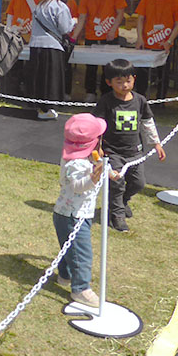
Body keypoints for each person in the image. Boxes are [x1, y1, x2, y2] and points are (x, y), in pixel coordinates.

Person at [53, 113, 119, 308]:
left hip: (79, 213)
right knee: (81, 252)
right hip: (72, 215)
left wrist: (109, 172)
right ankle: (81, 289)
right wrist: (93, 178)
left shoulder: (89, 157)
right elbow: (77, 185)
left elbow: (99, 164)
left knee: (69, 248)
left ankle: (65, 276)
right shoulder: (76, 163)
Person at [93, 59, 165, 232]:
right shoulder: (106, 101)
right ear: (109, 82)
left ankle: (122, 201)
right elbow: (97, 125)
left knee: (138, 183)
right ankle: (117, 214)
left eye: (128, 80)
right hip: (113, 152)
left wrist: (156, 143)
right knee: (116, 183)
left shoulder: (140, 101)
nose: (124, 85)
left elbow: (147, 122)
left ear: (134, 78)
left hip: (135, 152)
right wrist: (97, 145)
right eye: (119, 81)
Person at [71, 0, 127, 102]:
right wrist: (74, 36)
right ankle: (90, 92)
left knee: (109, 66)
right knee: (91, 66)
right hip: (91, 36)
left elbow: (120, 13)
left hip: (110, 36)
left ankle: (106, 92)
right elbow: (82, 18)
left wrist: (113, 30)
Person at [28, 0, 76, 120]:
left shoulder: (40, 4)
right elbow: (65, 28)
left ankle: (39, 107)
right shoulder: (61, 7)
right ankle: (48, 109)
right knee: (51, 80)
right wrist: (74, 21)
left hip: (36, 45)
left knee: (38, 78)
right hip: (52, 46)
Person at [134, 0, 178, 98]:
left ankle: (161, 98)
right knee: (142, 72)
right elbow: (140, 19)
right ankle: (141, 96)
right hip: (147, 42)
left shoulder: (176, 1)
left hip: (165, 44)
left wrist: (170, 40)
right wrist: (140, 38)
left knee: (163, 73)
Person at [3, 0, 42, 96]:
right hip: (16, 35)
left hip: (31, 37)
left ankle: (28, 88)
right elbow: (10, 15)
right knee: (16, 63)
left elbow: (36, 13)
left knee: (30, 65)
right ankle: (15, 88)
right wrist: (9, 30)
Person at [50, 0, 78, 99]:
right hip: (58, 39)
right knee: (60, 68)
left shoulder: (69, 3)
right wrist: (73, 22)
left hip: (65, 40)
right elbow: (65, 27)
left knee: (66, 67)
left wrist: (74, 36)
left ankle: (65, 92)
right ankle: (60, 93)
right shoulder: (58, 4)